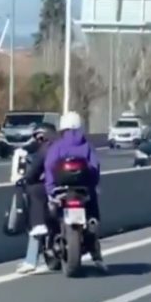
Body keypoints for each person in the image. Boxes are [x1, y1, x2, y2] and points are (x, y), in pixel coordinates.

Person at [43, 111, 107, 271]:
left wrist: (50, 188)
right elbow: (95, 167)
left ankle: (52, 241)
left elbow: (49, 166)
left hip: (60, 190)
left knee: (50, 216)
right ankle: (95, 251)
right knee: (93, 216)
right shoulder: (86, 145)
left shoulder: (57, 145)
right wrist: (92, 185)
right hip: (83, 190)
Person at [15, 122, 57, 274]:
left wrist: (25, 179)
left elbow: (33, 172)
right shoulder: (68, 146)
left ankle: (31, 260)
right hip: (75, 188)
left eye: (39, 137)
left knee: (37, 222)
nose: (37, 141)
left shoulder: (45, 150)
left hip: (49, 189)